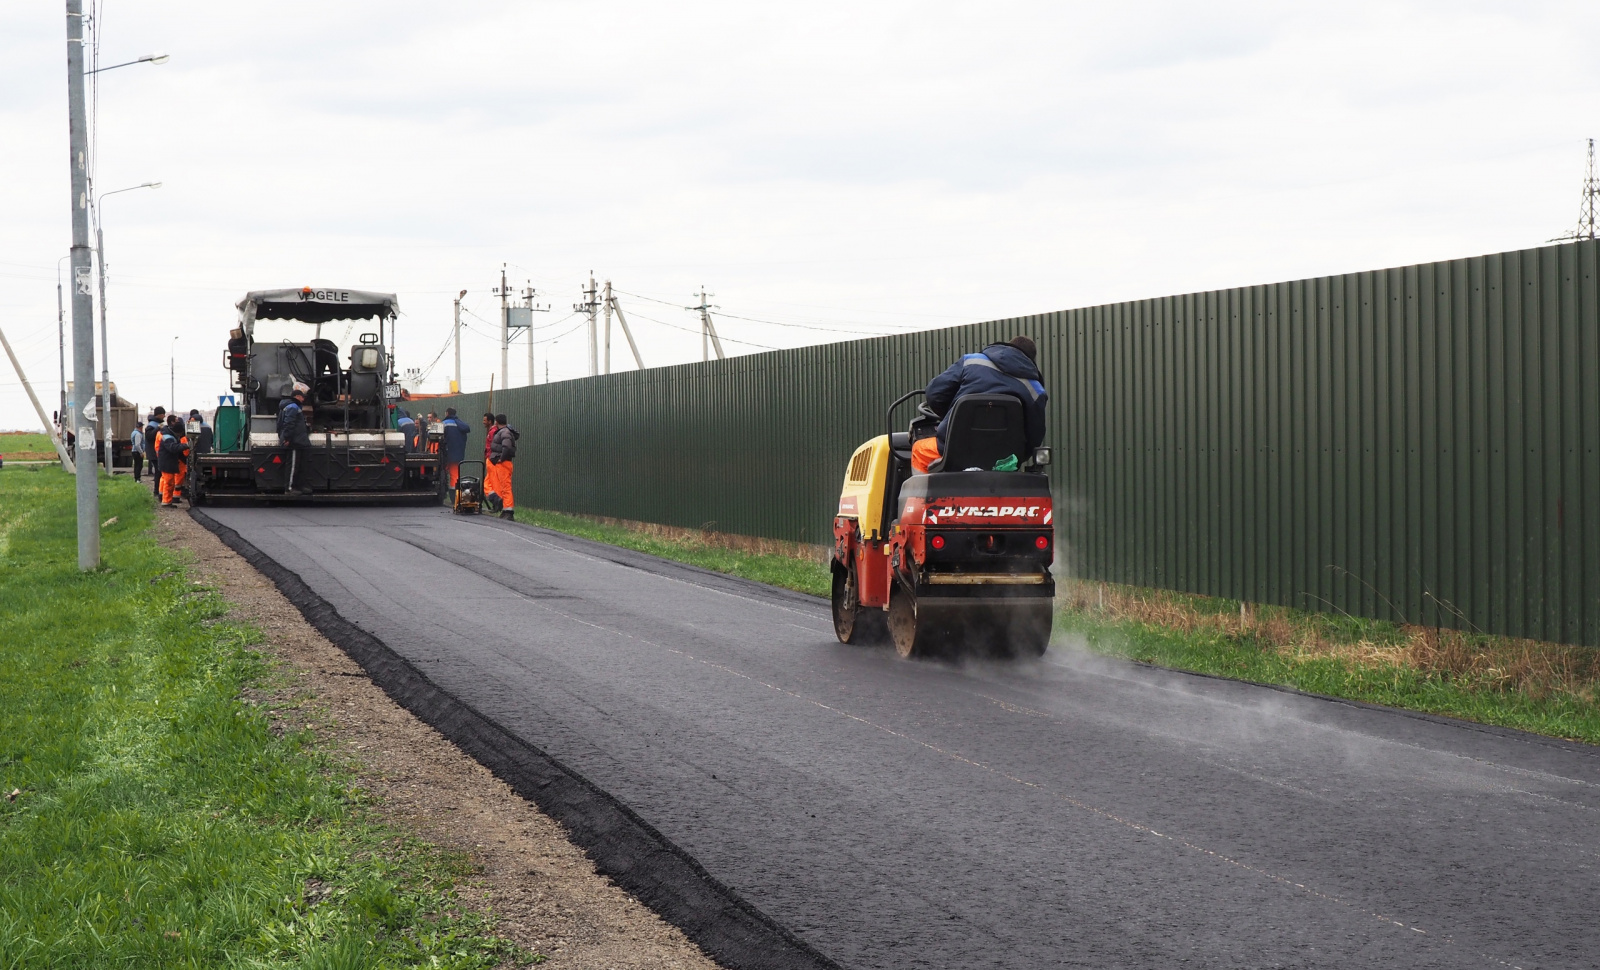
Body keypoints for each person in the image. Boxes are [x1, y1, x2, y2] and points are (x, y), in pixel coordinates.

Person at [911, 335, 1048, 475]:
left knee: (919, 449)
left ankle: (923, 496)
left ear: (1007, 346)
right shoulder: (1035, 390)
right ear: (1030, 360)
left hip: (953, 450)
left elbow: (934, 394)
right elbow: (1034, 436)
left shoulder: (971, 362)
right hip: (1004, 459)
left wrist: (953, 418)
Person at [277, 381, 313, 495]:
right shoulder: (293, 407)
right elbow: (289, 424)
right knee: (292, 465)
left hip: (298, 441)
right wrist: (287, 438)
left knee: (298, 465)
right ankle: (289, 488)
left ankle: (298, 486)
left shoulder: (292, 406)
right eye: (302, 397)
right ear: (297, 396)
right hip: (294, 441)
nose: (303, 399)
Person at [486, 412, 519, 520]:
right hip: (502, 463)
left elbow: (507, 446)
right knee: (503, 487)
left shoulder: (504, 432)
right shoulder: (505, 432)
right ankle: (505, 509)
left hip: (503, 463)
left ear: (496, 421)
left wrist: (501, 458)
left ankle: (508, 511)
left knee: (506, 487)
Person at [156, 414, 189, 507]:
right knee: (169, 482)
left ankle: (167, 500)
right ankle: (166, 502)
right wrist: (185, 445)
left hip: (167, 461)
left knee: (169, 482)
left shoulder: (168, 434)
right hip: (167, 462)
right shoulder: (168, 437)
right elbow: (173, 448)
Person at [439, 407, 471, 494]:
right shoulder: (460, 424)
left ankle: (444, 491)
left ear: (447, 413)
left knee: (441, 472)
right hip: (457, 454)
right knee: (455, 474)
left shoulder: (444, 423)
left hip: (445, 453)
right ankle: (455, 495)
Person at [144, 408, 165, 498]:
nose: (164, 415)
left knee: (159, 471)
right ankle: (157, 490)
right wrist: (158, 428)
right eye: (163, 414)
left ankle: (158, 490)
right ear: (159, 415)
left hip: (157, 452)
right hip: (154, 452)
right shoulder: (152, 425)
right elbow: (149, 437)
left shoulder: (156, 424)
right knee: (158, 471)